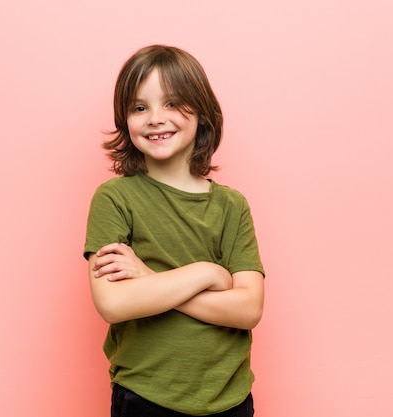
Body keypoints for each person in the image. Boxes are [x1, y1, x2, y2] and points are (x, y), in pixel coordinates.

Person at [83, 45, 265, 417]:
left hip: (230, 398)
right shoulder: (115, 198)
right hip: (146, 396)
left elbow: (248, 308)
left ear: (202, 112)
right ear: (125, 120)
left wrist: (148, 279)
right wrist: (207, 273)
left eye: (171, 103)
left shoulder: (232, 206)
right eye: (139, 107)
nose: (155, 118)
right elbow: (113, 303)